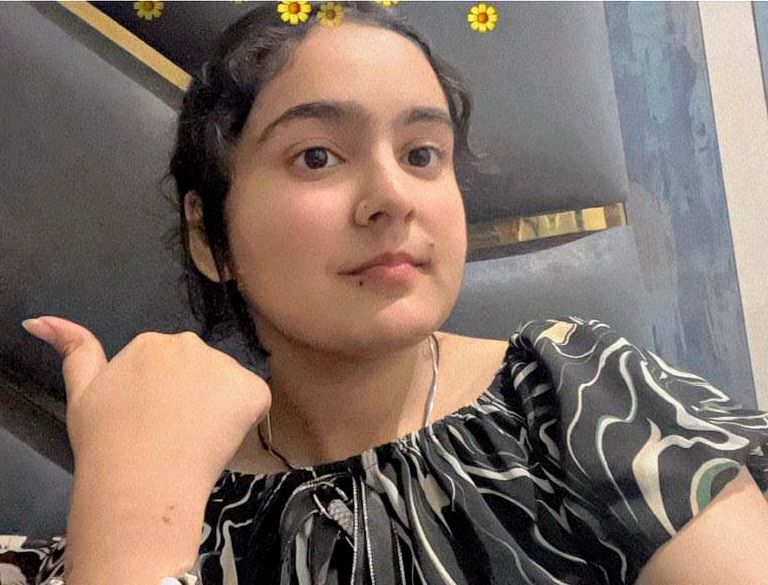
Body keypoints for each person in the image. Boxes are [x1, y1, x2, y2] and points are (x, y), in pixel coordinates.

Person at [4, 2, 768, 584]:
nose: (392, 197)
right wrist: (133, 520)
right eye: (316, 156)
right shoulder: (167, 496)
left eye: (422, 153)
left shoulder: (579, 401)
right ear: (210, 238)